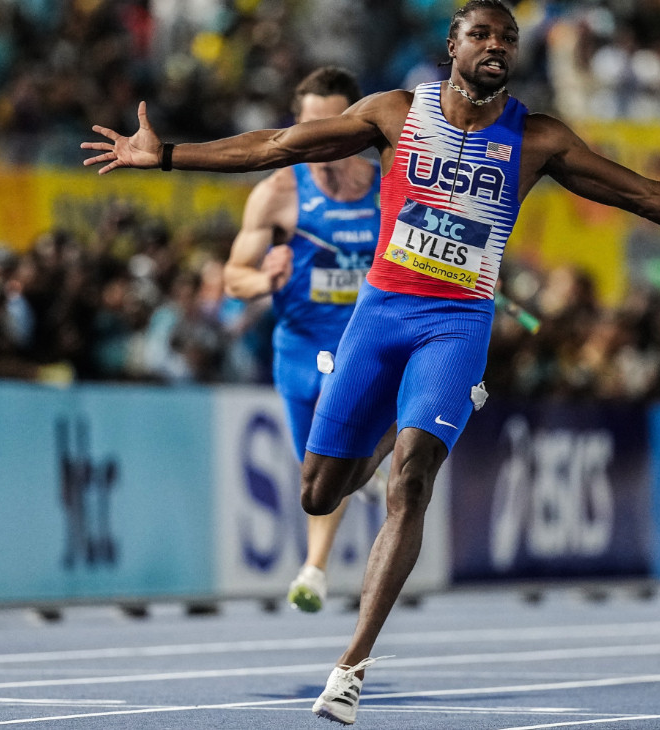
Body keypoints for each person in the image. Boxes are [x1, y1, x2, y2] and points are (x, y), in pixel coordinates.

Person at [82, 1, 660, 723]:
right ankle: (374, 440)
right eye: (482, 34)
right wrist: (168, 154)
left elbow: (643, 196)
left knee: (412, 481)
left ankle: (351, 666)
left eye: (509, 38)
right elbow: (278, 144)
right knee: (318, 494)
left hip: (457, 324)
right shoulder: (394, 114)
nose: (497, 46)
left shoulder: (540, 139)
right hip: (380, 313)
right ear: (452, 45)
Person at [221, 66, 394, 614]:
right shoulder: (276, 191)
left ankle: (314, 568)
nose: (318, 139)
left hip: (365, 343)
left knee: (337, 430)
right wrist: (264, 279)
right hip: (298, 345)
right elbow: (233, 278)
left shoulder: (389, 185)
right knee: (316, 474)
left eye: (332, 125)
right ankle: (361, 467)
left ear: (356, 126)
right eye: (308, 125)